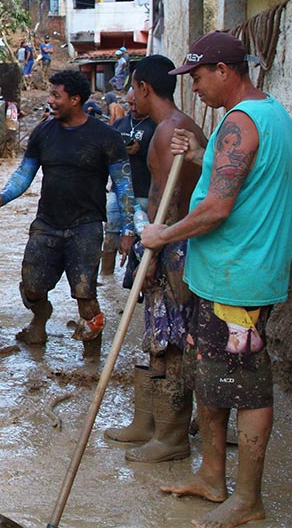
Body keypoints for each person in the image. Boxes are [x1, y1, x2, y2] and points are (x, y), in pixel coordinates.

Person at [141, 32, 292, 528]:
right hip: (222, 274)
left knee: (248, 388)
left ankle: (247, 500)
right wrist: (203, 146)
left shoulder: (241, 122)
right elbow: (237, 174)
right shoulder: (264, 114)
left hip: (239, 280)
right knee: (208, 378)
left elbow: (217, 206)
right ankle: (212, 476)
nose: (195, 88)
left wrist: (164, 233)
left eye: (200, 77)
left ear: (225, 71)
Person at [0, 70, 135, 358]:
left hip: (86, 227)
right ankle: (40, 318)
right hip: (47, 224)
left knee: (86, 296)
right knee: (31, 287)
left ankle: (91, 357)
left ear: (75, 99)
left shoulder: (106, 137)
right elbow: (25, 173)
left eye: (56, 96)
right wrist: (2, 197)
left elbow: (123, 186)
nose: (50, 101)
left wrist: (127, 230)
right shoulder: (43, 132)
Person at [105, 54, 206, 462]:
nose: (130, 96)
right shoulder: (174, 126)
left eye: (132, 88)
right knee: (158, 337)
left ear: (145, 88)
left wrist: (152, 257)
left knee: (175, 339)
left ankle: (172, 436)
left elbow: (171, 200)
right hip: (166, 242)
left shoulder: (170, 130)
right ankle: (148, 423)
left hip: (173, 248)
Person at [102, 87, 156, 275]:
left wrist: (141, 151)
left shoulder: (155, 126)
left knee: (140, 240)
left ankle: (137, 279)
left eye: (136, 103)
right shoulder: (120, 125)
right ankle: (106, 279)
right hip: (117, 192)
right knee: (110, 236)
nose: (133, 108)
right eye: (130, 104)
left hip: (143, 192)